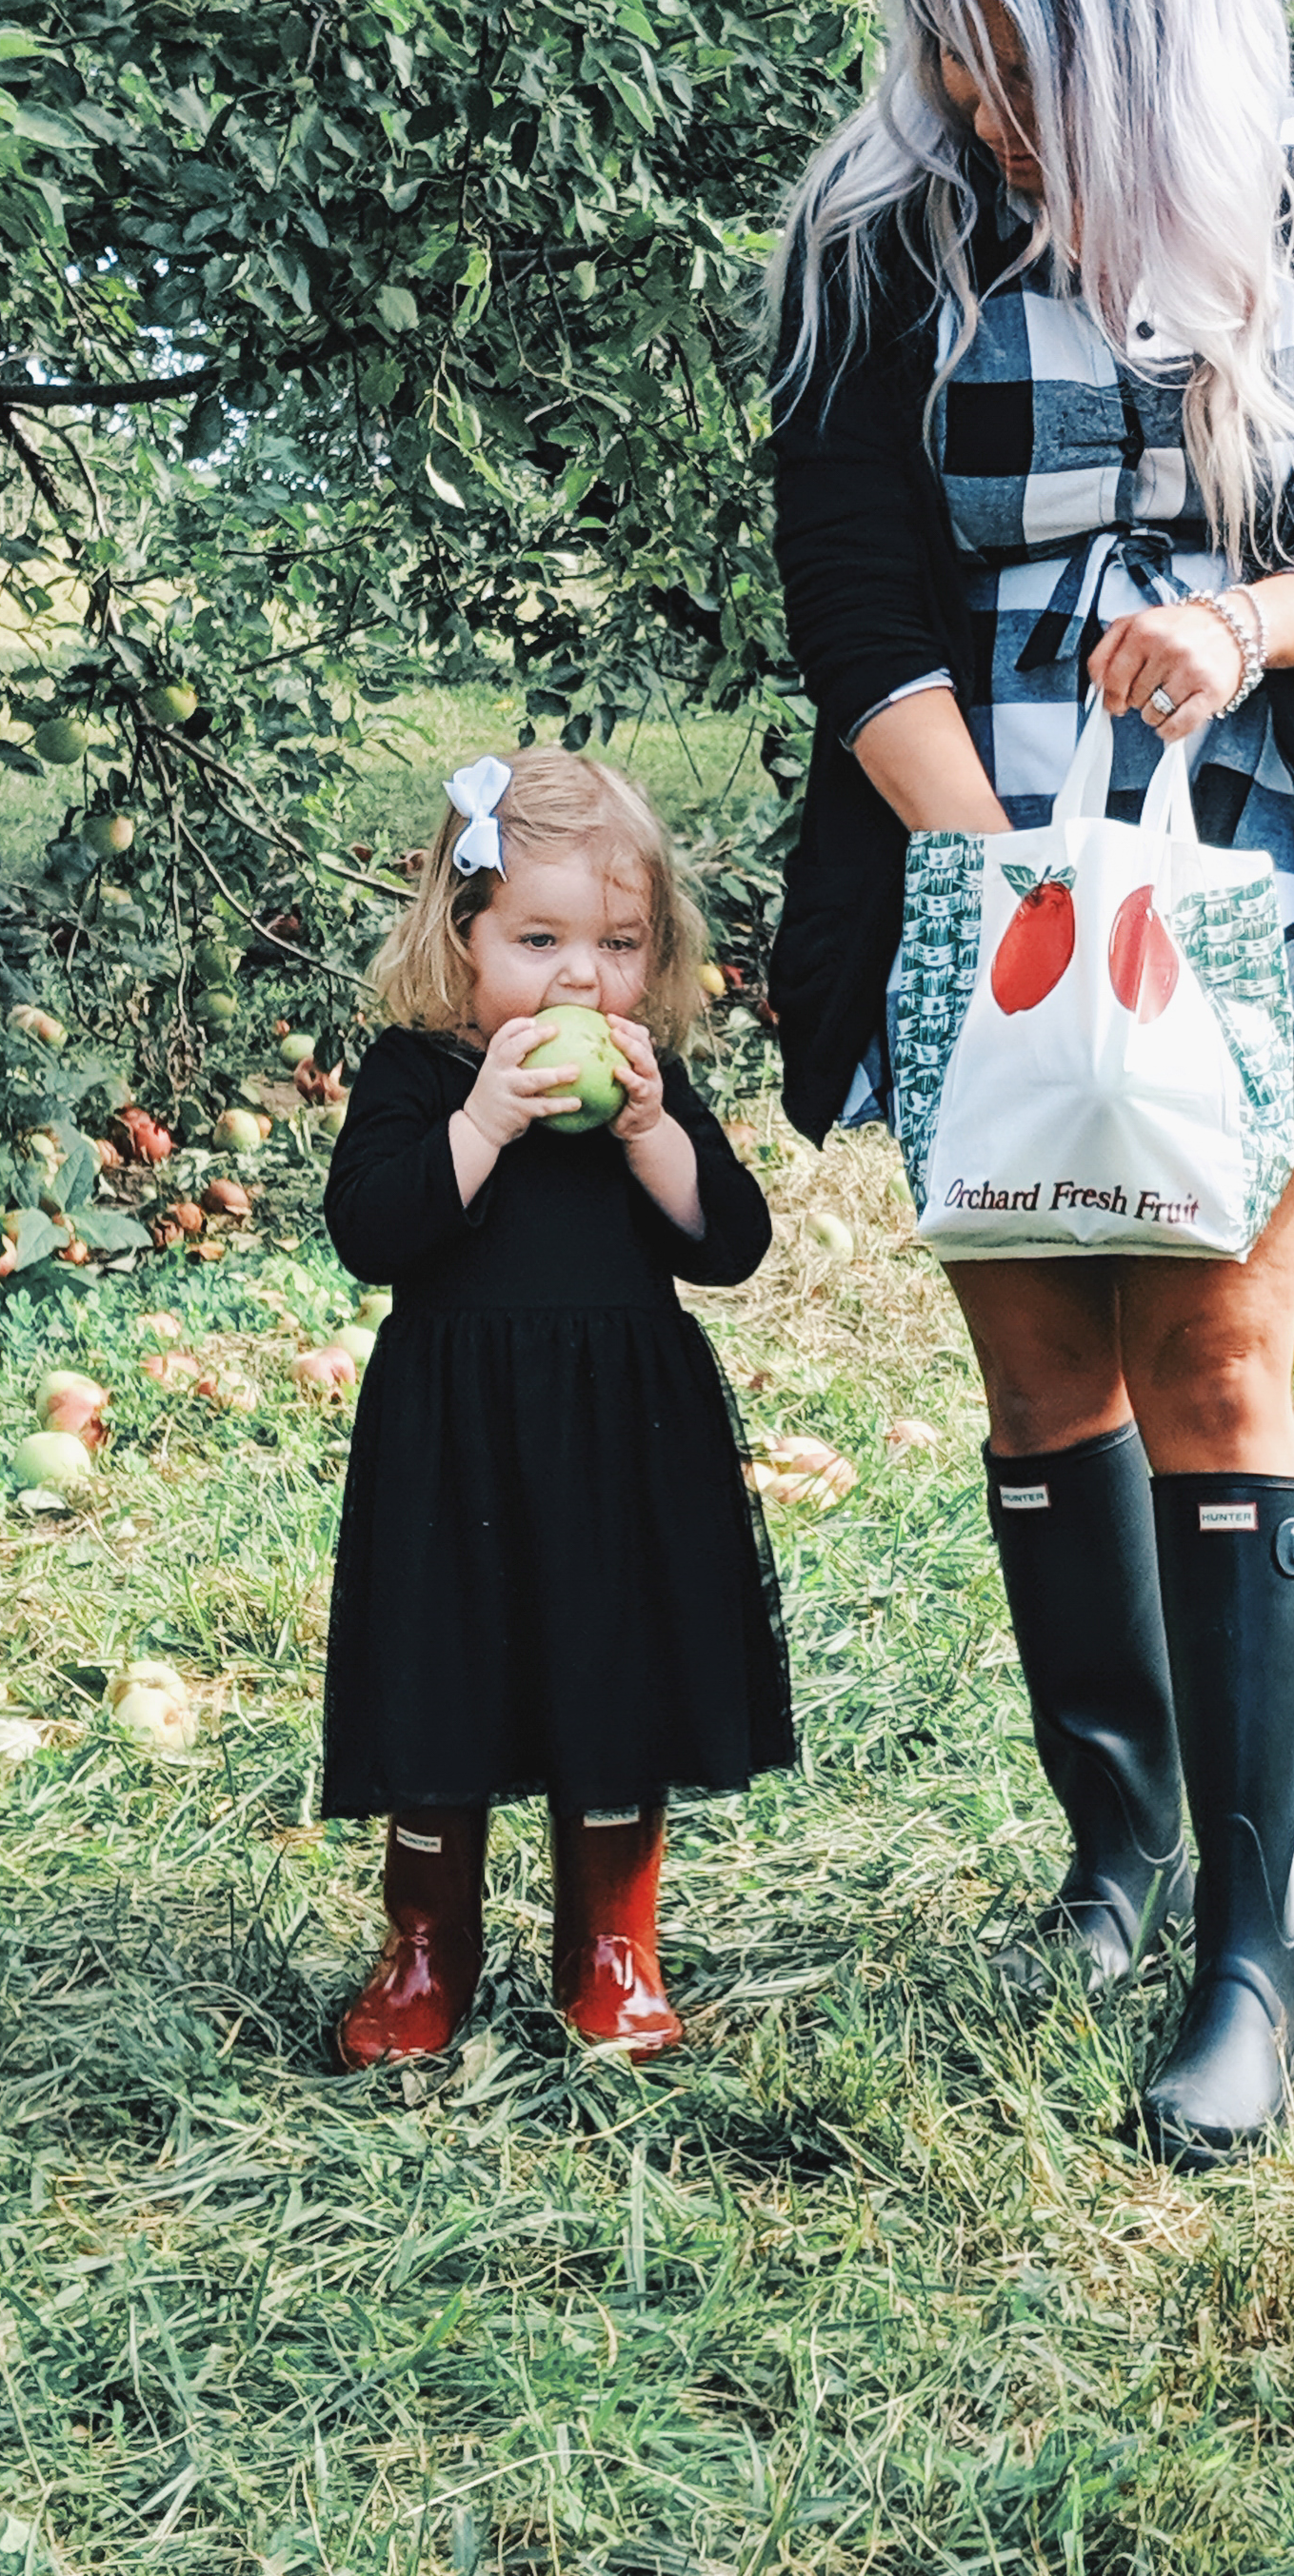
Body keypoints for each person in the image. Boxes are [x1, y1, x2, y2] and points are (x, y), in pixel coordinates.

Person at [766, 0, 1294, 2167]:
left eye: (1018, 58)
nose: (975, 98)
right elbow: (856, 614)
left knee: (1214, 1335)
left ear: (1138, 25)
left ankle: (1247, 1956)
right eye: (950, 52)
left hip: (1241, 860)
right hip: (968, 856)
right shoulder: (881, 238)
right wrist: (1002, 907)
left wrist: (1257, 618)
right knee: (1041, 1351)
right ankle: (1115, 1846)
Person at [319, 749, 790, 2069]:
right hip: (452, 1440)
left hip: (622, 1442)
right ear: (460, 939)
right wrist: (481, 1123)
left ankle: (610, 1942)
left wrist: (649, 1135)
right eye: (539, 939)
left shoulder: (645, 1084)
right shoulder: (419, 1076)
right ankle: (427, 1943)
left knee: (615, 1676)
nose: (582, 978)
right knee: (439, 1686)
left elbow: (729, 1244)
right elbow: (372, 1231)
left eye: (619, 943)